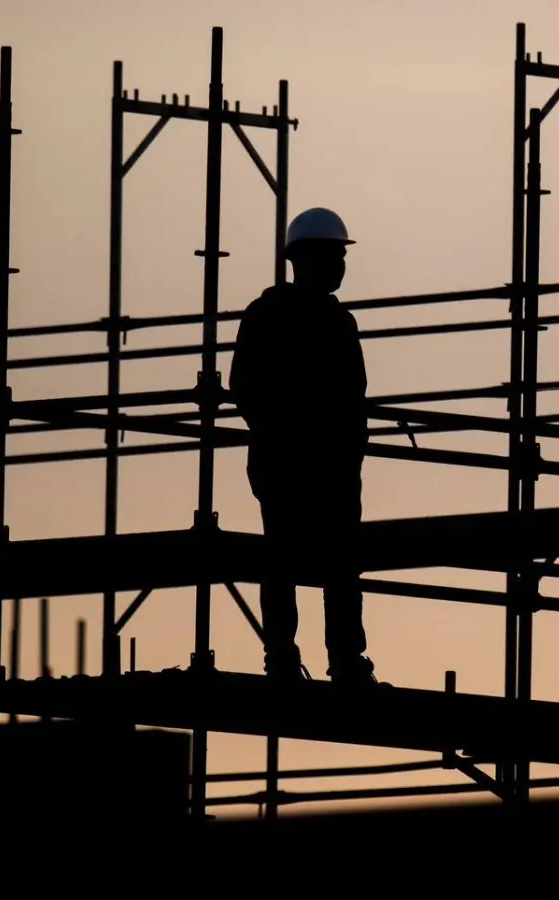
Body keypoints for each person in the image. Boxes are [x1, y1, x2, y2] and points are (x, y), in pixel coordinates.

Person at [229, 207, 380, 686]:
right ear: (309, 258)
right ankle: (338, 661)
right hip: (314, 466)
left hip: (293, 465)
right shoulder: (320, 322)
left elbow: (244, 387)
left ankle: (290, 657)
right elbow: (353, 396)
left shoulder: (270, 315)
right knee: (329, 563)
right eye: (336, 255)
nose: (341, 265)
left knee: (291, 562)